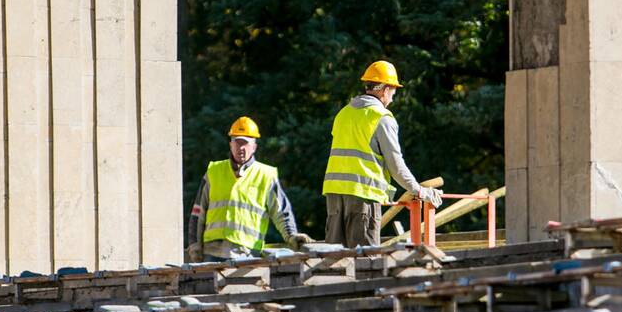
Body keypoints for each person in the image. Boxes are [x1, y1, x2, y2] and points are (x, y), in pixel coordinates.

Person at [322, 60, 442, 247]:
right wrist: (420, 191)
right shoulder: (382, 118)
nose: (392, 99)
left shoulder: (343, 114)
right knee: (365, 261)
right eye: (393, 92)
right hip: (363, 197)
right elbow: (396, 165)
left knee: (333, 258)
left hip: (334, 195)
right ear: (385, 90)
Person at [186, 116, 312, 261]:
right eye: (237, 143)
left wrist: (291, 236)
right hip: (213, 254)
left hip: (247, 255)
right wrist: (195, 246)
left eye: (245, 144)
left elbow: (281, 212)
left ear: (254, 147)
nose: (241, 148)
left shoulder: (266, 175)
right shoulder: (214, 172)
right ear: (230, 145)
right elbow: (197, 213)